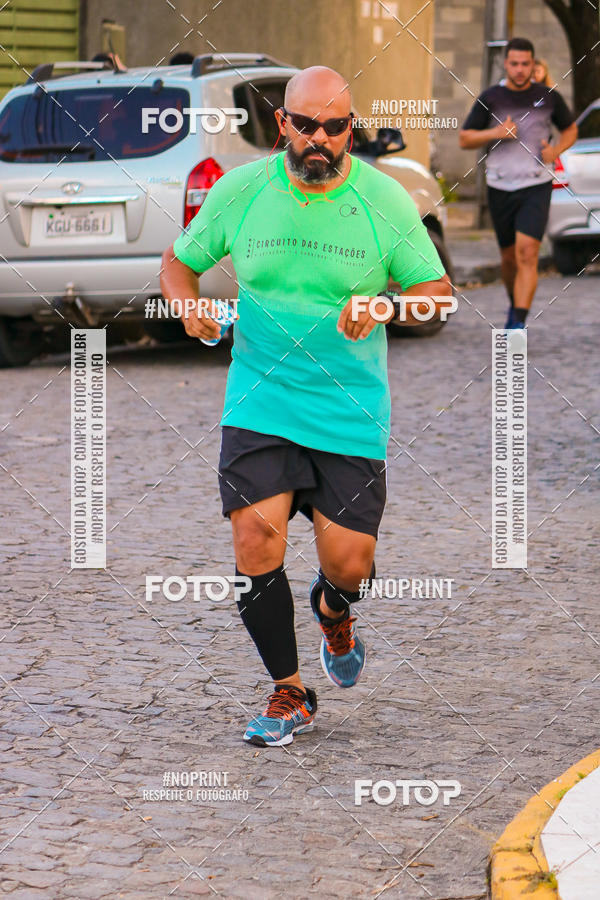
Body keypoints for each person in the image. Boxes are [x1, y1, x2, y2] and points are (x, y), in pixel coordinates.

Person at [160, 66, 452, 747]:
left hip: (348, 410)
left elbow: (437, 293)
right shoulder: (242, 191)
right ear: (282, 124)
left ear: (351, 128)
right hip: (261, 399)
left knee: (349, 562)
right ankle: (289, 690)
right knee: (254, 538)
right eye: (307, 125)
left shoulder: (384, 198)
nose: (321, 138)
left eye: (337, 127)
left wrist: (384, 303)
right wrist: (187, 307)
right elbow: (179, 264)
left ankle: (333, 607)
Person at [459, 37, 577, 328]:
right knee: (509, 259)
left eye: (526, 64)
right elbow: (465, 138)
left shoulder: (549, 96)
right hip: (500, 185)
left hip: (535, 184)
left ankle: (517, 323)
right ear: (506, 64)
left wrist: (556, 151)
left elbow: (570, 129)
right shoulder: (491, 97)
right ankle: (516, 305)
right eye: (515, 63)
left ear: (533, 64)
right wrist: (494, 133)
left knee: (528, 251)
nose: (520, 69)